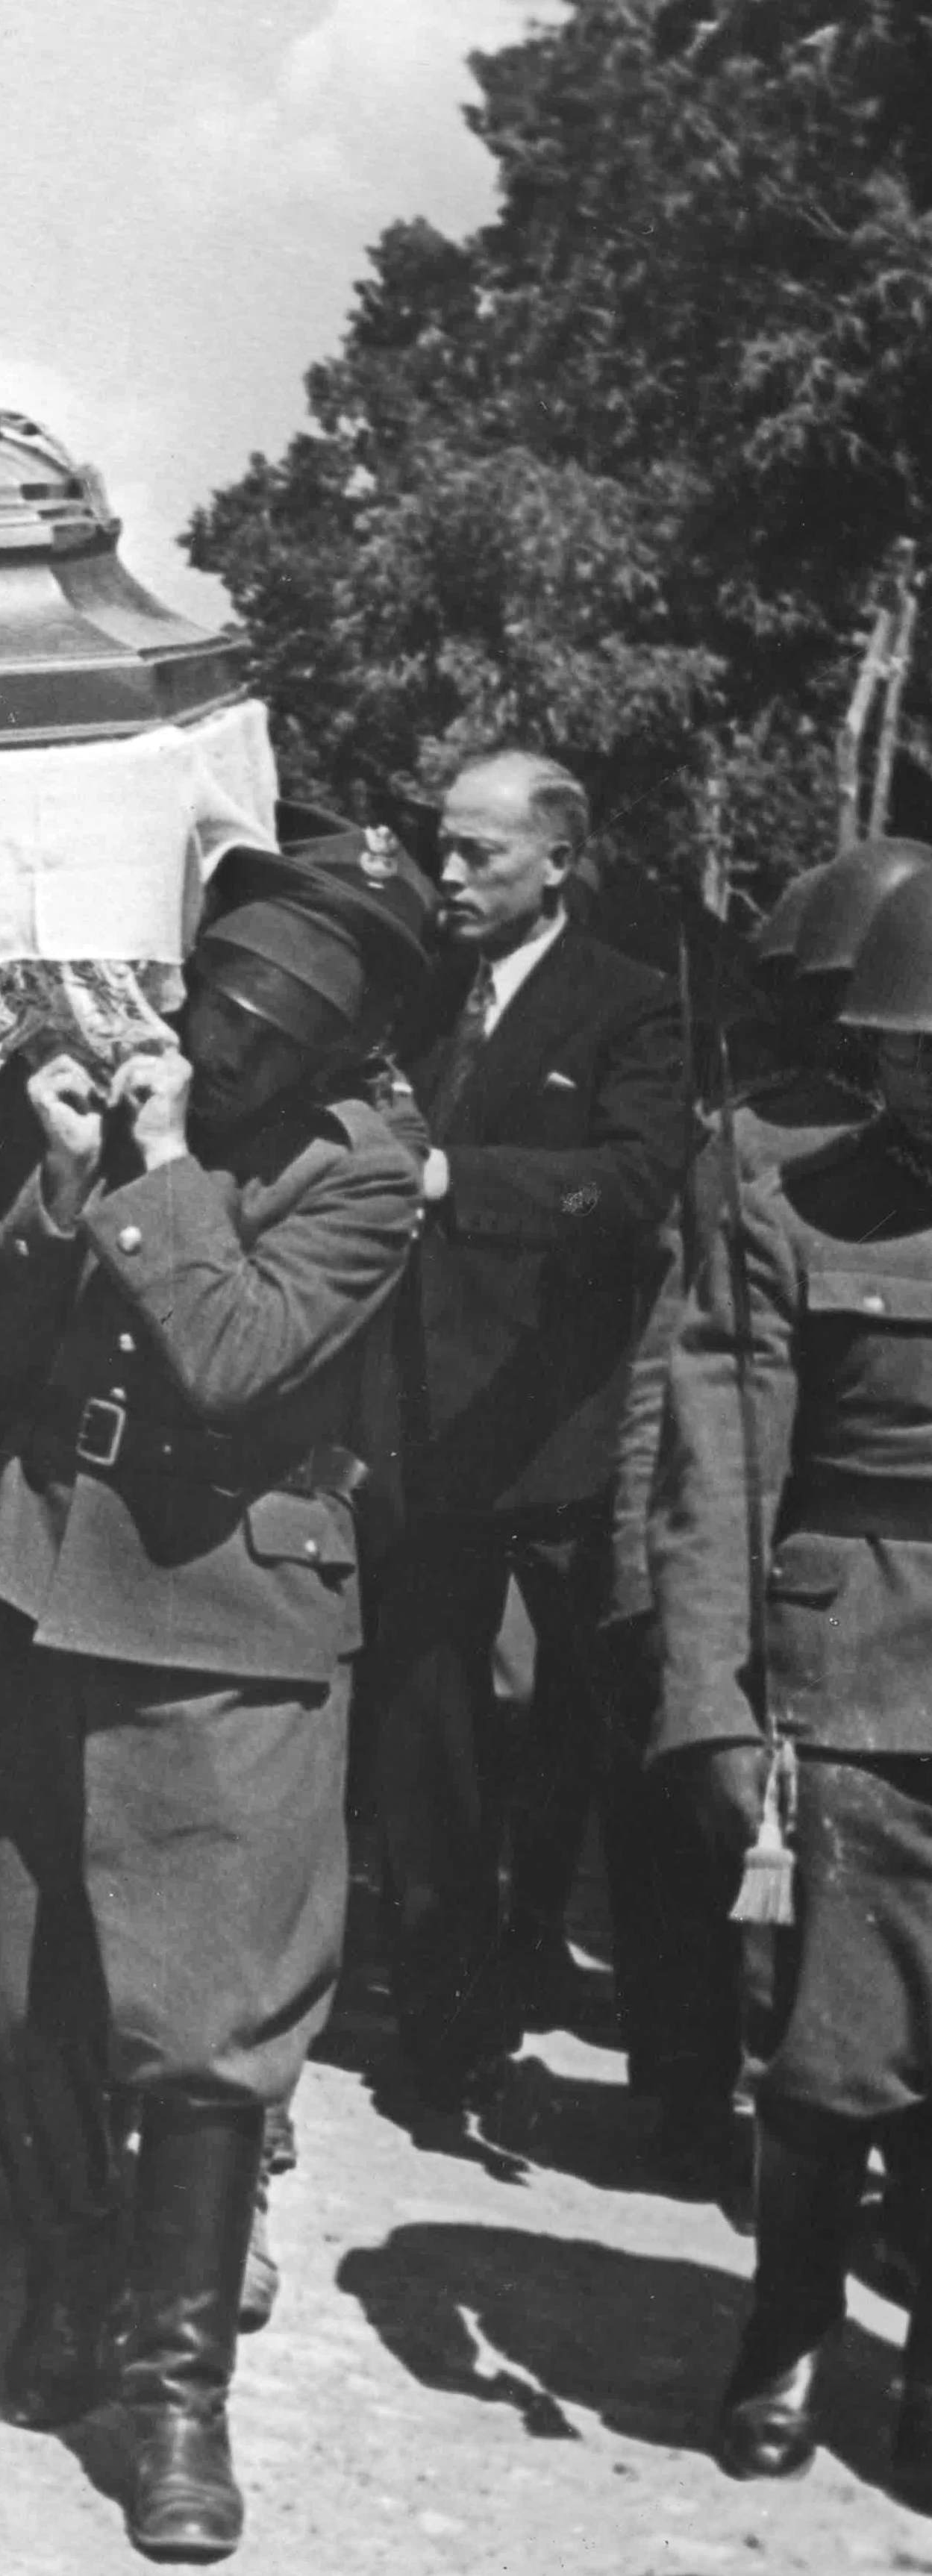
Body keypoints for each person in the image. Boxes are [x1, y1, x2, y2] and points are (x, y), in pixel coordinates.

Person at [0, 828, 430, 2562]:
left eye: (260, 1036)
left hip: (225, 1624)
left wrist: (153, 1167)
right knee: (4, 1997)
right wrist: (62, 1173)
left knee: (205, 2036)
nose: (218, 1047)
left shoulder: (366, 1172)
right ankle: (77, 2278)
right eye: (212, 1004)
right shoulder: (127, 1103)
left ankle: (174, 2402)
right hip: (46, 1591)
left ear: (336, 1050)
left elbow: (230, 1354)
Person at [651, 857, 932, 2498]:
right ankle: (789, 2326)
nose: (921, 1075)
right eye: (901, 1046)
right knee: (831, 2049)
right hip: (849, 1674)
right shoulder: (787, 1203)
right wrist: (710, 1693)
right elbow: (718, 1465)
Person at [601, 847, 922, 2194]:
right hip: (812, 1622)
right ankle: (695, 2108)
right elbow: (689, 1399)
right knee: (772, 1953)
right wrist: (654, 1597)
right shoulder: (765, 1157)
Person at [373, 751, 687, 2110]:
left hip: (565, 1432)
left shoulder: (630, 1003)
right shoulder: (416, 994)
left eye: (479, 854)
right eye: (441, 848)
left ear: (557, 859)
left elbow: (632, 1179)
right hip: (425, 1432)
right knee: (426, 1750)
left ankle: (674, 2082)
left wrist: (462, 1178)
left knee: (612, 1747)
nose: (447, 875)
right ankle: (439, 2041)